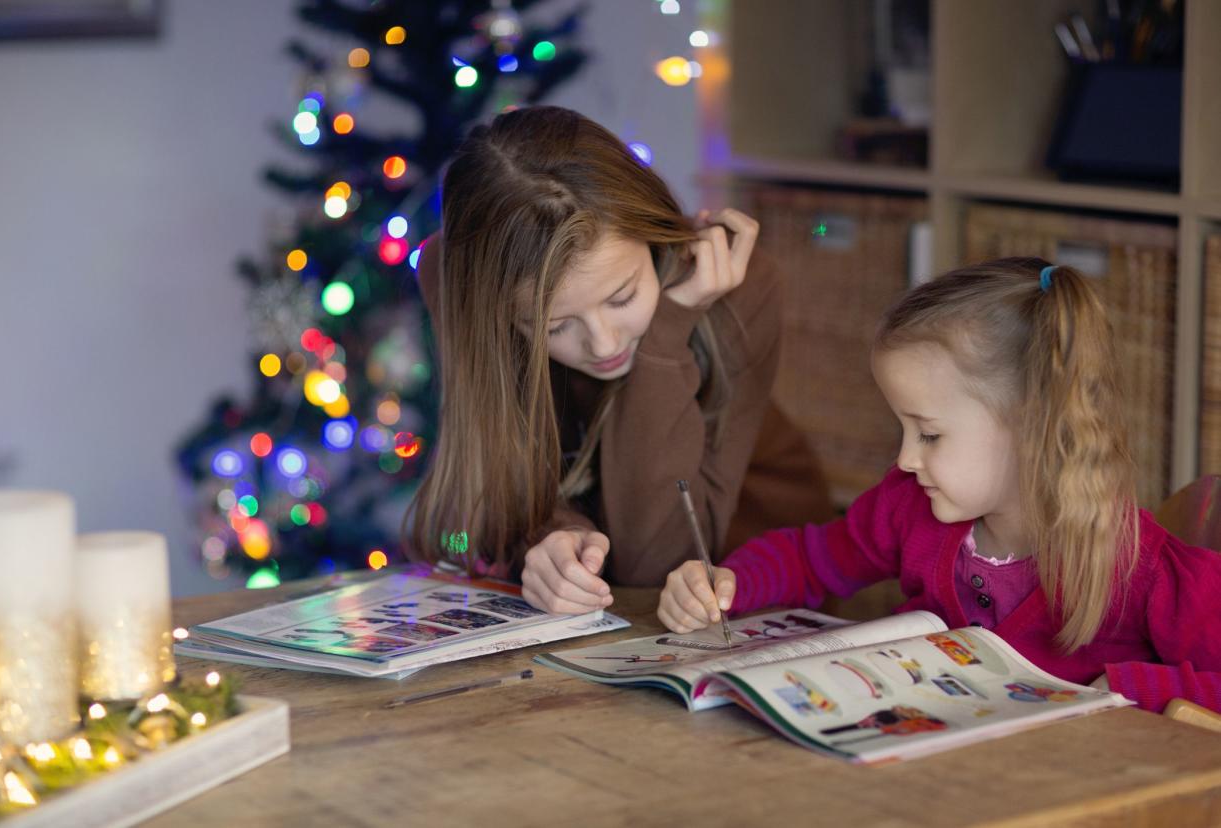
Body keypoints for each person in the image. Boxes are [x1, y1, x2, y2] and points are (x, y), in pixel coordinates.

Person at [658, 258, 1221, 713]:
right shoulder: (908, 507)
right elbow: (810, 558)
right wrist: (726, 582)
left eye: (928, 434)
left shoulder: (1139, 567)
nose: (904, 459)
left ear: (1031, 427)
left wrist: (1131, 687)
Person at [407, 106, 833, 612]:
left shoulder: (736, 287)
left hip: (749, 573)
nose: (605, 345)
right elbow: (457, 533)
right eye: (555, 327)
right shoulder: (456, 280)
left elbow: (657, 563)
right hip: (590, 597)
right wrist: (549, 539)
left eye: (623, 297)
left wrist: (669, 330)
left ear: (652, 238)